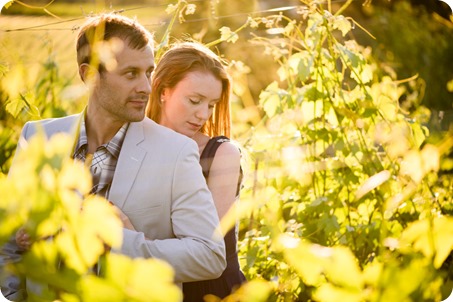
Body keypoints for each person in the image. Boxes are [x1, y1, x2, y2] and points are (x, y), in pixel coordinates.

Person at [0, 13, 226, 301]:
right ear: (89, 75)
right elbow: (7, 241)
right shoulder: (37, 136)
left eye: (148, 72)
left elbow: (209, 256)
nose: (146, 87)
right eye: (131, 74)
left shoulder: (176, 151)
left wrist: (122, 242)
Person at [146, 42, 246, 301]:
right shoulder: (133, 146)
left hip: (211, 291)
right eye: (194, 100)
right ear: (162, 90)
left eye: (211, 104)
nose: (203, 114)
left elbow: (207, 246)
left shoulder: (221, 155)